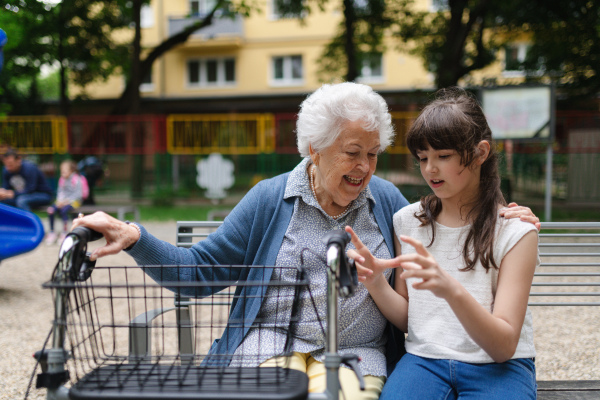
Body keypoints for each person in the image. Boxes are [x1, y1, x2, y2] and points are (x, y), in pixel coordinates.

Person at [72, 83, 539, 400]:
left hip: (357, 353)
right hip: (268, 345)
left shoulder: (387, 202)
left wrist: (503, 211)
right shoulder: (270, 199)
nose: (365, 168)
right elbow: (197, 274)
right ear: (313, 149)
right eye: (352, 153)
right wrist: (136, 237)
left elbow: (453, 206)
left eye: (373, 154)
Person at [347, 87, 539, 399]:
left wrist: (450, 289)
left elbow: (503, 347)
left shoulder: (516, 232)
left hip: (498, 366)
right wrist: (375, 282)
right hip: (424, 361)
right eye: (423, 158)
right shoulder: (408, 221)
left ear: (481, 153)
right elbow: (411, 320)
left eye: (443, 156)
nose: (430, 169)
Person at [45, 160, 87, 245]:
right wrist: (59, 201)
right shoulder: (62, 179)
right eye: (61, 171)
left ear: (71, 171)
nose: (62, 173)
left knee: (64, 211)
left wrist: (66, 202)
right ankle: (52, 232)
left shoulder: (77, 179)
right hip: (63, 201)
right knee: (51, 210)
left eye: (64, 171)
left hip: (74, 202)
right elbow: (60, 192)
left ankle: (64, 232)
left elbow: (78, 195)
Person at [0, 148, 53, 212]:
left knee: (22, 200)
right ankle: (7, 222)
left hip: (43, 195)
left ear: (18, 160)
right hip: (22, 196)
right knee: (3, 201)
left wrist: (13, 194)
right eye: (6, 165)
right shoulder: (6, 170)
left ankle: (27, 221)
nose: (8, 167)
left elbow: (30, 189)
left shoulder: (29, 168)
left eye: (10, 164)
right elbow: (6, 188)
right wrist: (3, 193)